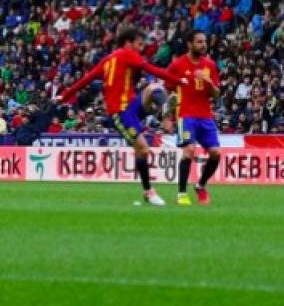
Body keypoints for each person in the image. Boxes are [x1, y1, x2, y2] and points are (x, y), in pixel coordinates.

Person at [59, 26, 186, 206]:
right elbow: (150, 68)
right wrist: (179, 81)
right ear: (128, 43)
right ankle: (149, 192)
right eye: (139, 44)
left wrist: (64, 95)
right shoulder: (128, 54)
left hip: (132, 106)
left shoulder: (107, 60)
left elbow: (85, 80)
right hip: (120, 113)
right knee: (143, 148)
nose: (141, 48)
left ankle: (164, 113)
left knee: (153, 88)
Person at [167, 31, 223, 206]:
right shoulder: (177, 65)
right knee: (189, 150)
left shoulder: (210, 66)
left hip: (205, 116)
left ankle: (200, 185)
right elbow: (168, 91)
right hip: (186, 115)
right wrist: (168, 116)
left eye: (204, 42)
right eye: (199, 42)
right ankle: (182, 194)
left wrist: (208, 81)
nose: (203, 45)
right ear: (189, 44)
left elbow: (216, 94)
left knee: (216, 153)